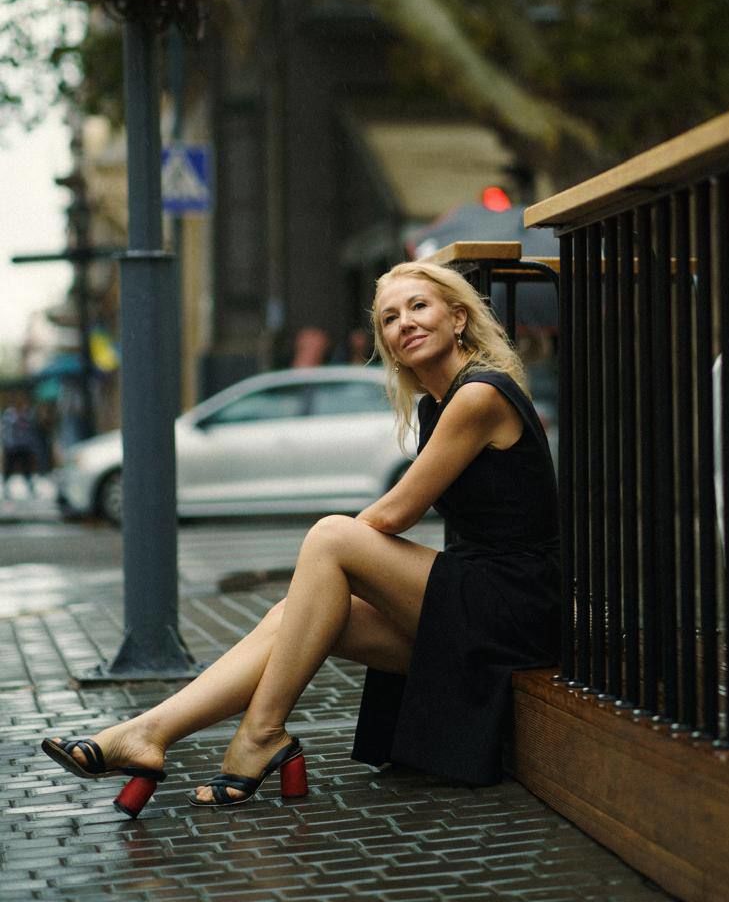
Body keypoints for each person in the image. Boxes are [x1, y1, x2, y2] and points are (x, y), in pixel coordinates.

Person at [40, 261, 560, 816]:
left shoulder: (480, 395)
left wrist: (328, 569)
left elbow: (395, 513)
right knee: (295, 615)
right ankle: (148, 733)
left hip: (518, 606)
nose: (404, 323)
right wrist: (322, 592)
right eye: (389, 318)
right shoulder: (437, 403)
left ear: (457, 317)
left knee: (331, 538)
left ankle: (260, 734)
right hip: (482, 604)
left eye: (418, 306)